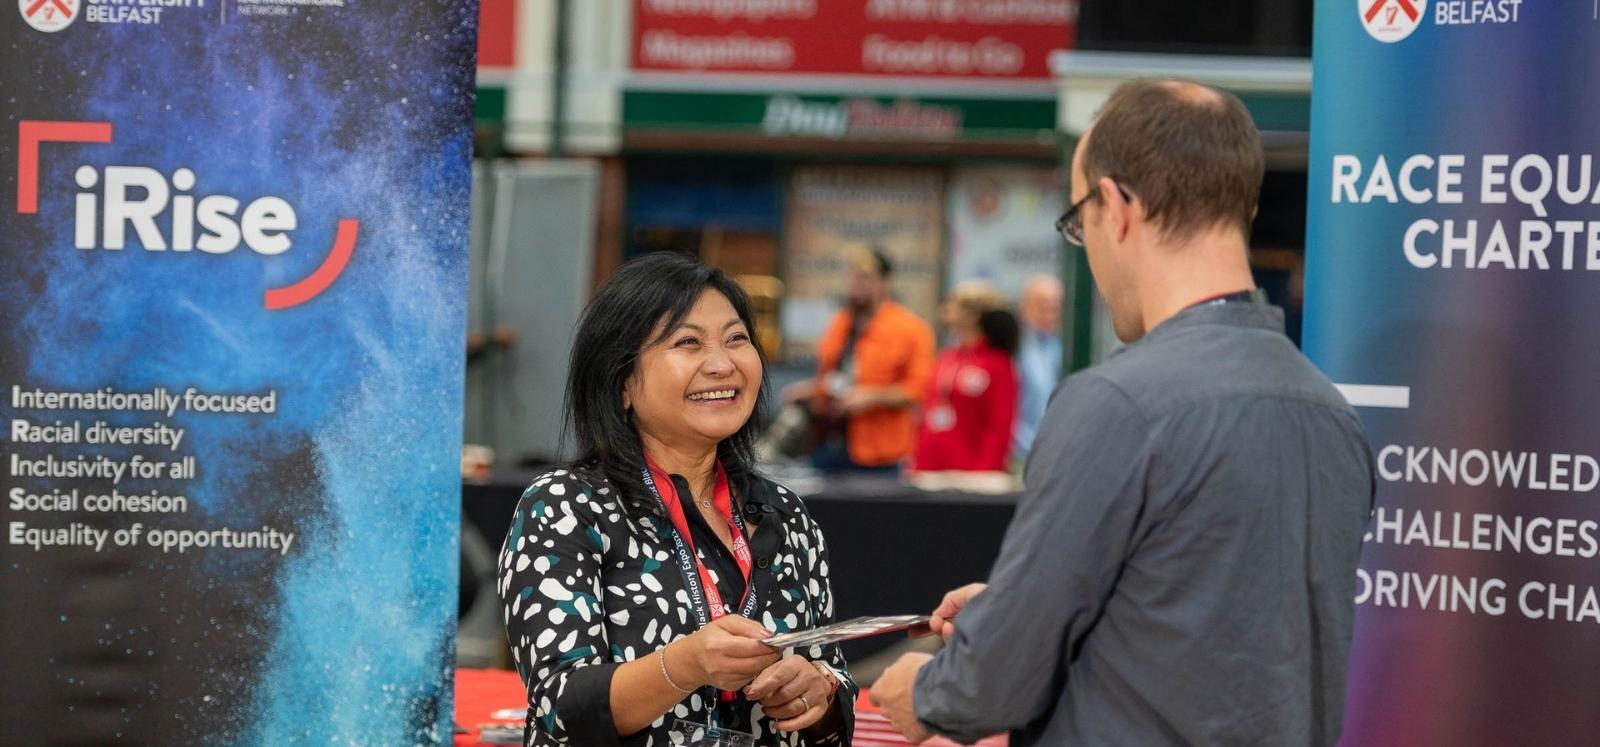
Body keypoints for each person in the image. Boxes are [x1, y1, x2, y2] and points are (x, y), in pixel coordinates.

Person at [869, 79, 1376, 745]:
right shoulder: (1331, 413)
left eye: (1081, 222)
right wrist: (1015, 607)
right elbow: (1216, 627)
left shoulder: (1118, 404)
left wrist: (926, 689)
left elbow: (988, 685)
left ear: (1116, 204)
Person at [499, 252, 856, 746]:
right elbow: (563, 707)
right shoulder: (566, 507)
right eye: (688, 342)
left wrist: (816, 697)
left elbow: (834, 693)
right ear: (621, 382)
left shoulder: (785, 513)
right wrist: (686, 663)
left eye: (737, 339)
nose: (722, 363)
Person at [798, 246, 935, 471]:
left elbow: (918, 389)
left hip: (880, 454)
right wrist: (810, 390)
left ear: (884, 282)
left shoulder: (911, 329)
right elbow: (832, 375)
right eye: (852, 276)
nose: (855, 284)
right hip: (827, 444)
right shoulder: (840, 322)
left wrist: (871, 397)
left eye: (864, 278)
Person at [910, 282, 1019, 473]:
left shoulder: (997, 364)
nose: (946, 309)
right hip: (932, 465)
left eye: (954, 304)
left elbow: (1000, 425)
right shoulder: (946, 358)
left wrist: (986, 470)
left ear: (973, 314)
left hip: (972, 471)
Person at [1011, 275, 1063, 459]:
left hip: (1050, 451)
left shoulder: (1058, 346)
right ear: (1023, 306)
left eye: (1055, 306)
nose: (1050, 312)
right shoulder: (1014, 346)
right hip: (1020, 453)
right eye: (1042, 304)